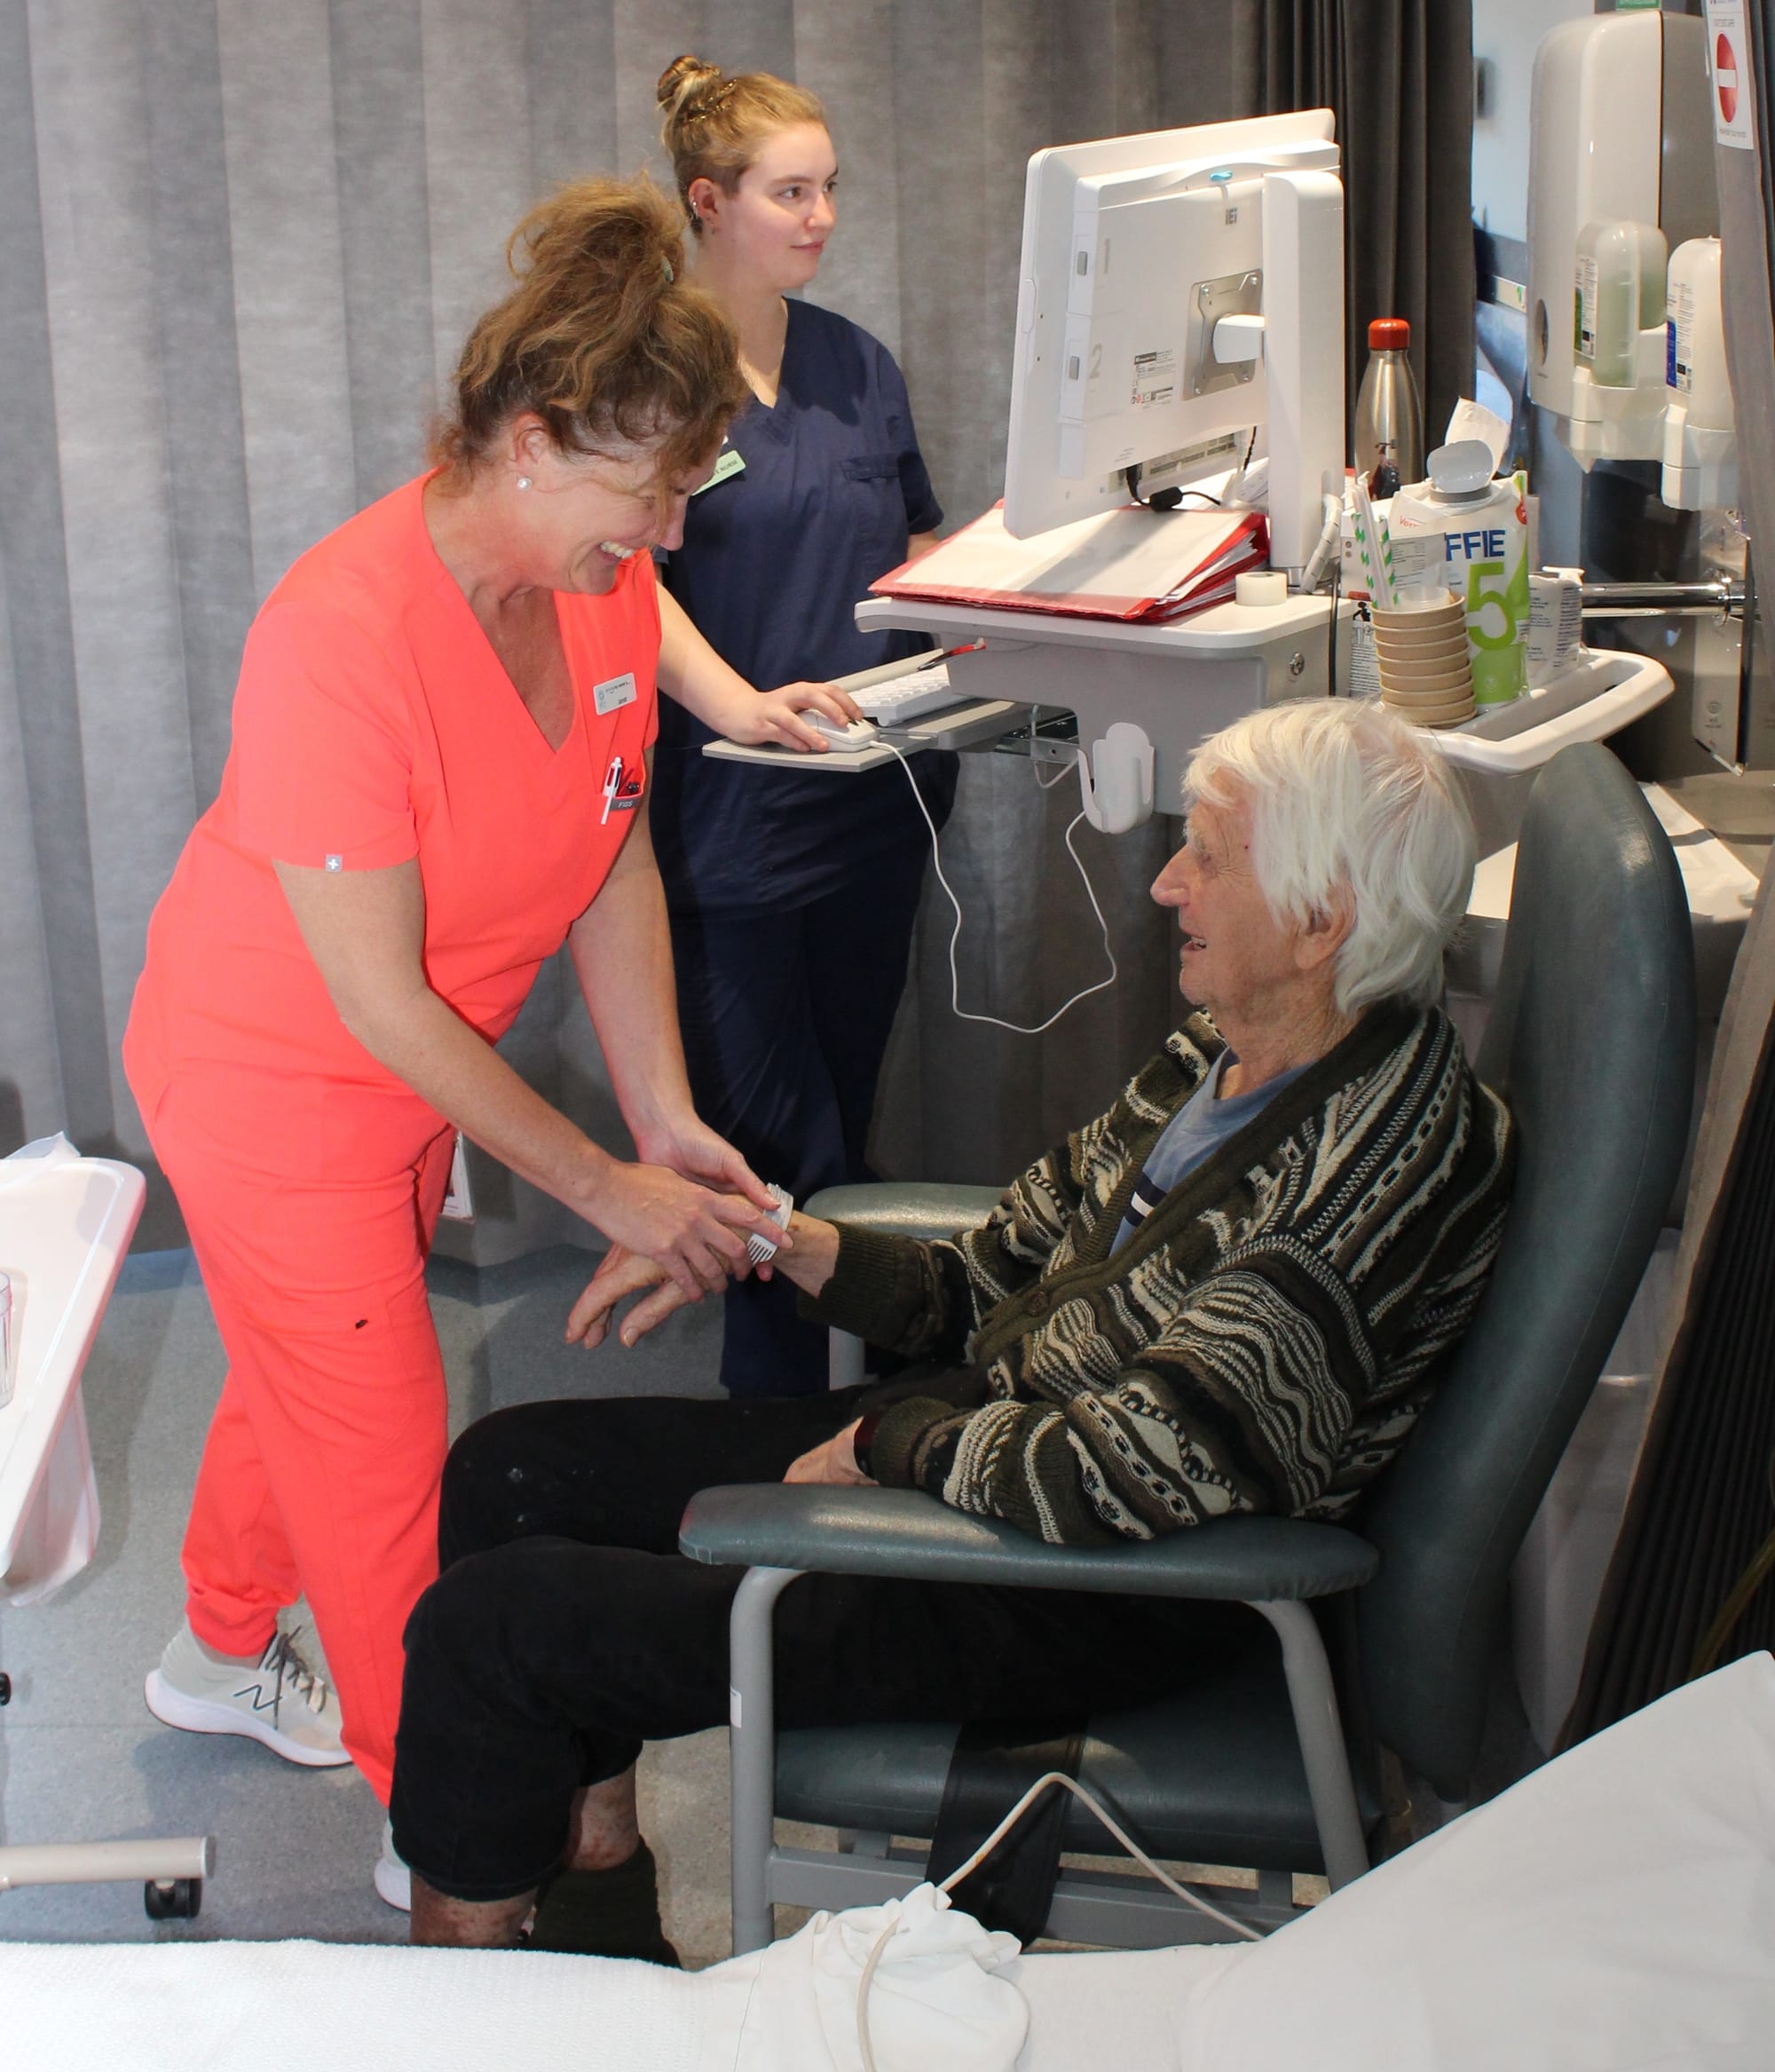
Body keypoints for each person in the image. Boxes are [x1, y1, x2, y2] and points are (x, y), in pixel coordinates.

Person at [387, 700, 1516, 1954]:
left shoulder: (1376, 1170)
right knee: (509, 1475)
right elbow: (1001, 1264)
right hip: (993, 1455)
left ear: (1322, 919)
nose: (1164, 884)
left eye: (1206, 855)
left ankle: (467, 2038)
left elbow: (1153, 1464)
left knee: (491, 1634)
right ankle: (596, 1907)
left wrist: (891, 1448)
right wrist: (773, 1237)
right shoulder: (1233, 1049)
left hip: (1079, 1580)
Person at [123, 176, 807, 1906]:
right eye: (643, 495)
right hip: (277, 1074)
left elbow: (612, 846)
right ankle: (435, 1810)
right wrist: (598, 1188)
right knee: (374, 1441)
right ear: (526, 439)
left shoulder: (587, 592)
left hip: (413, 1065)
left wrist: (657, 1116)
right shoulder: (336, 638)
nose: (661, 540)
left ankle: (214, 1648)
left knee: (303, 1360)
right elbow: (378, 1000)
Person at [646, 54, 958, 1398]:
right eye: (791, 192)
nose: (821, 216)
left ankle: (870, 1407)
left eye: (829, 188)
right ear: (710, 201)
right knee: (774, 1155)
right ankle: (774, 1444)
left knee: (846, 1113)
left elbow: (918, 534)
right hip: (734, 828)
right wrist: (738, 705)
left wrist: (985, 615)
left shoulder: (856, 366)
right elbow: (614, 578)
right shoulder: (654, 373)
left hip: (878, 807)